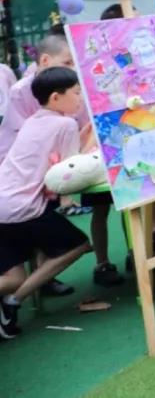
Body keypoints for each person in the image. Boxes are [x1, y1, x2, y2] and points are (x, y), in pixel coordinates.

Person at [0, 67, 93, 339]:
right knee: (79, 244)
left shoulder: (33, 120)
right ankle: (14, 301)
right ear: (55, 98)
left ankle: (11, 302)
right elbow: (71, 172)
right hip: (22, 208)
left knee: (13, 275)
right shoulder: (64, 124)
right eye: (76, 94)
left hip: (3, 203)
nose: (79, 100)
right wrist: (90, 137)